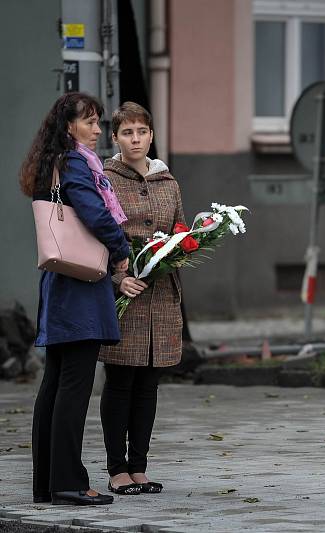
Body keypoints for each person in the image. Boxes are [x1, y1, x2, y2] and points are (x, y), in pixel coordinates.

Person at [21, 92, 130, 506]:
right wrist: (121, 250)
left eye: (98, 121)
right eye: (90, 122)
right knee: (73, 387)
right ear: (68, 126)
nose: (97, 129)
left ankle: (48, 483)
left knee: (55, 384)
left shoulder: (52, 163)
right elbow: (95, 214)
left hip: (60, 282)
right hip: (80, 285)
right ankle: (68, 481)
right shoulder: (74, 164)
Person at [99, 102, 185, 494]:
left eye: (142, 132)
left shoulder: (168, 181)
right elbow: (96, 235)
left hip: (162, 295)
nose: (136, 139)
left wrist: (182, 247)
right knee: (120, 381)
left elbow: (181, 230)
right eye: (128, 133)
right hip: (126, 296)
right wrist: (117, 277)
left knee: (149, 384)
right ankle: (116, 469)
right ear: (115, 137)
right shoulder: (106, 179)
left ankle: (139, 467)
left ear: (152, 135)